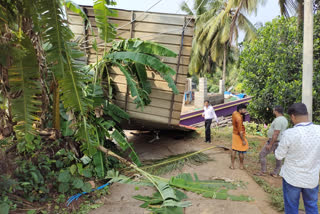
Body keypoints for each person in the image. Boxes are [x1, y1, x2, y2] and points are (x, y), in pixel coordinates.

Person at [275, 103, 320, 214]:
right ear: (307, 114)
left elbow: (279, 155)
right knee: (311, 206)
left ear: (293, 117)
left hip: (292, 178)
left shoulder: (290, 133)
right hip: (311, 178)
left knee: (291, 208)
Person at [255, 106, 288, 177]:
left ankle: (263, 171)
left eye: (273, 110)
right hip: (280, 140)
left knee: (262, 154)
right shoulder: (284, 119)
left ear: (276, 111)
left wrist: (270, 144)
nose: (273, 111)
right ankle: (276, 172)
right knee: (278, 156)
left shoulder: (278, 120)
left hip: (274, 141)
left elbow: (276, 133)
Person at [231, 104, 249, 170]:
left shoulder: (234, 113)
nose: (245, 111)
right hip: (239, 135)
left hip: (234, 133)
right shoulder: (239, 118)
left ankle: (232, 165)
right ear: (240, 110)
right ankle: (241, 166)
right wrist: (243, 140)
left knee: (234, 149)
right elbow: (240, 131)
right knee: (241, 150)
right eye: (244, 109)